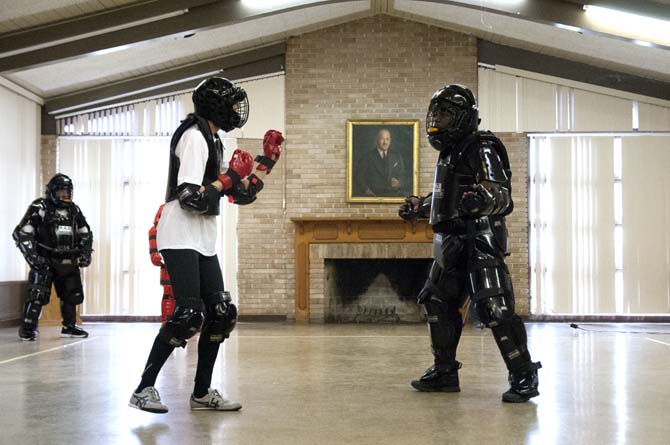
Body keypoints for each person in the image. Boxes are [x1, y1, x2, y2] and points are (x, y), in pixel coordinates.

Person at [129, 76, 283, 414]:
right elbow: (189, 198)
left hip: (202, 238)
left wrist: (266, 162)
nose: (236, 110)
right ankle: (143, 389)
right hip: (180, 233)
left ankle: (201, 393)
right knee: (187, 314)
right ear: (215, 105)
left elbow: (239, 193)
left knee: (221, 313)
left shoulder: (214, 141)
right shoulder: (195, 137)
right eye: (231, 103)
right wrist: (227, 178)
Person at [399, 84, 541, 403]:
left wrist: (483, 197)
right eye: (435, 114)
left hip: (480, 239)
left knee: (495, 307)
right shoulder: (450, 152)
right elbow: (446, 197)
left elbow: (500, 193)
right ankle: (445, 372)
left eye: (445, 115)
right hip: (450, 241)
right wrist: (420, 206)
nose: (437, 121)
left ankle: (523, 374)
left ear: (464, 117)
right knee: (436, 301)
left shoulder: (483, 145)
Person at [13, 173, 93, 340]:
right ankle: (28, 328)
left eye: (67, 192)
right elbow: (22, 233)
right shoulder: (39, 207)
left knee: (72, 294)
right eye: (60, 192)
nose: (64, 195)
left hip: (69, 260)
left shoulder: (74, 210)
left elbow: (85, 232)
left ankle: (69, 326)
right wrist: (33, 257)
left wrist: (85, 253)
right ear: (51, 191)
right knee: (37, 294)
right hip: (45, 259)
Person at [356, 128, 408, 197]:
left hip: (393, 195)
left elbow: (403, 174)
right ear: (377, 140)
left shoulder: (396, 156)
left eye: (387, 139)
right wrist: (367, 191)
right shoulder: (367, 157)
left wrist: (398, 182)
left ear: (390, 140)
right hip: (374, 195)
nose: (385, 142)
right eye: (382, 139)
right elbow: (359, 178)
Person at [148, 204, 175, 323]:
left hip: (181, 265)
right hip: (169, 268)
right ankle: (167, 322)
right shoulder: (156, 230)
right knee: (169, 294)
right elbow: (155, 258)